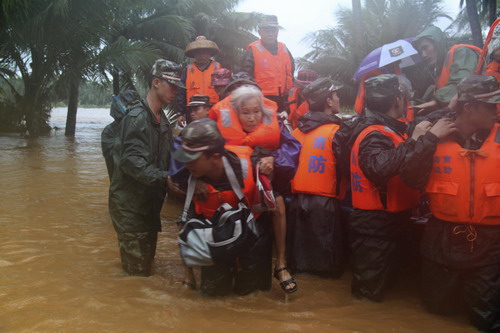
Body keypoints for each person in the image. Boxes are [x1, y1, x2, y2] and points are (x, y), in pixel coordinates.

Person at [400, 75, 500, 332]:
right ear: (469, 108)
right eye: (490, 105)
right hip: (441, 240)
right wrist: (428, 140)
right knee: (436, 313)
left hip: (490, 244)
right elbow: (411, 179)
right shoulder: (432, 134)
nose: (496, 109)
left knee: (484, 320)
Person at [210, 82, 301, 293]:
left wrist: (274, 158)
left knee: (279, 204)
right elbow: (190, 152)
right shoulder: (216, 125)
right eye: (246, 113)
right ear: (235, 111)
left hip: (260, 198)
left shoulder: (274, 122)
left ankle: (281, 263)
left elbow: (292, 148)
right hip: (228, 200)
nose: (252, 118)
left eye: (256, 111)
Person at [173, 118, 273, 296]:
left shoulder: (253, 163)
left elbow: (279, 210)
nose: (186, 164)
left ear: (215, 157)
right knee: (213, 296)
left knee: (254, 296)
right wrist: (189, 277)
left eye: (192, 159)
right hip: (216, 235)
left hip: (253, 233)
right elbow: (185, 231)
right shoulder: (190, 177)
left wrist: (281, 263)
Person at [348, 74, 422, 302]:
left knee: (388, 290)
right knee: (369, 294)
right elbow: (377, 168)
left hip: (389, 222)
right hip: (374, 225)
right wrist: (414, 141)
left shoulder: (386, 129)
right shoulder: (374, 132)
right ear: (398, 100)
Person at [108, 59, 184, 276]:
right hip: (130, 208)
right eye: (172, 85)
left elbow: (170, 158)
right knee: (136, 274)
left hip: (149, 206)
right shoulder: (136, 118)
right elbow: (132, 163)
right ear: (156, 82)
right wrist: (167, 179)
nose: (175, 91)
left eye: (178, 87)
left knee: (146, 268)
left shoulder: (163, 122)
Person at [287, 78, 345, 278]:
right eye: (336, 95)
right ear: (329, 101)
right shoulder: (337, 132)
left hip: (296, 204)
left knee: (300, 265)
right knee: (325, 268)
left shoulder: (295, 132)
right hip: (325, 205)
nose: (338, 98)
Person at [411, 25, 481, 112]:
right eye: (420, 52)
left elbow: (463, 82)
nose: (423, 55)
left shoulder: (462, 52)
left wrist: (437, 101)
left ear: (437, 44)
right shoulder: (440, 68)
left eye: (425, 48)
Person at [242, 15, 294, 112]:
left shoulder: (284, 48)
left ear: (277, 32)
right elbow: (245, 76)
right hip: (261, 98)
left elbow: (291, 71)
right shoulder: (253, 49)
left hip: (283, 99)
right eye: (267, 30)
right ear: (260, 32)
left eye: (273, 30)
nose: (270, 33)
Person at [177, 36, 221, 116]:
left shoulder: (217, 68)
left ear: (210, 53)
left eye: (204, 52)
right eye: (198, 53)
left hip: (214, 111)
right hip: (193, 112)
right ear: (194, 54)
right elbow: (181, 92)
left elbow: (224, 91)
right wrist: (181, 112)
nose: (201, 55)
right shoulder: (187, 70)